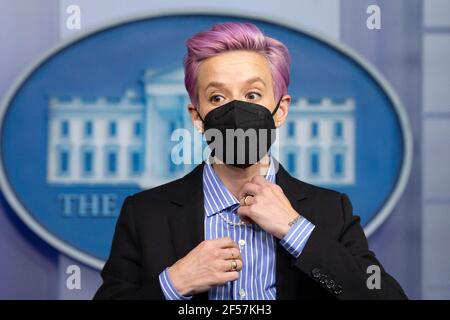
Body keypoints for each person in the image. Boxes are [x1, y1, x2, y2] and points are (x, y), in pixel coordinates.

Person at [94, 22, 407, 300]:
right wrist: (174, 283)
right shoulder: (145, 214)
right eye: (217, 98)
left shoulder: (330, 212)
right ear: (197, 117)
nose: (235, 110)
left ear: (280, 110)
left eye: (253, 95)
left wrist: (294, 229)